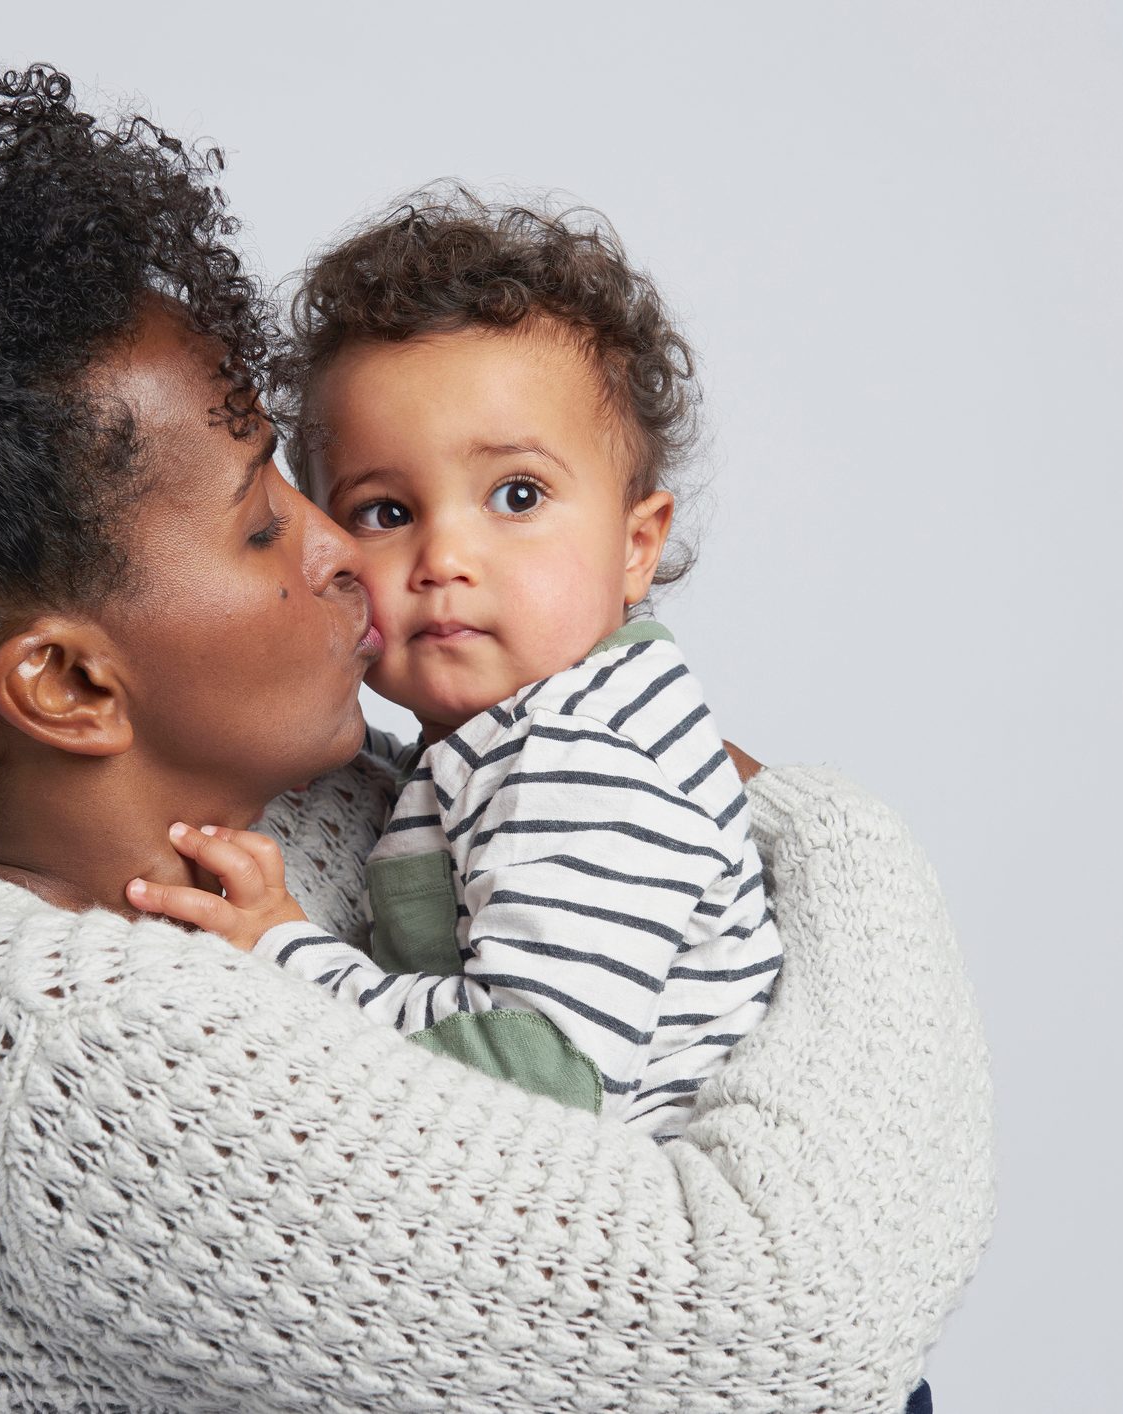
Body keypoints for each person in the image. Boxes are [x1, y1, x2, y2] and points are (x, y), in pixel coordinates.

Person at [0, 64, 992, 1413]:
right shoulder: (85, 1067)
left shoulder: (290, 801)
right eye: (261, 517)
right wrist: (833, 842)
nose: (352, 556)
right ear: (71, 687)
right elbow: (790, 1327)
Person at [127, 196, 781, 1144]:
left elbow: (535, 1079)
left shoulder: (577, 763)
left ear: (636, 546)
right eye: (384, 512)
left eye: (516, 496)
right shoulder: (496, 744)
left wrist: (284, 949)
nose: (444, 558)